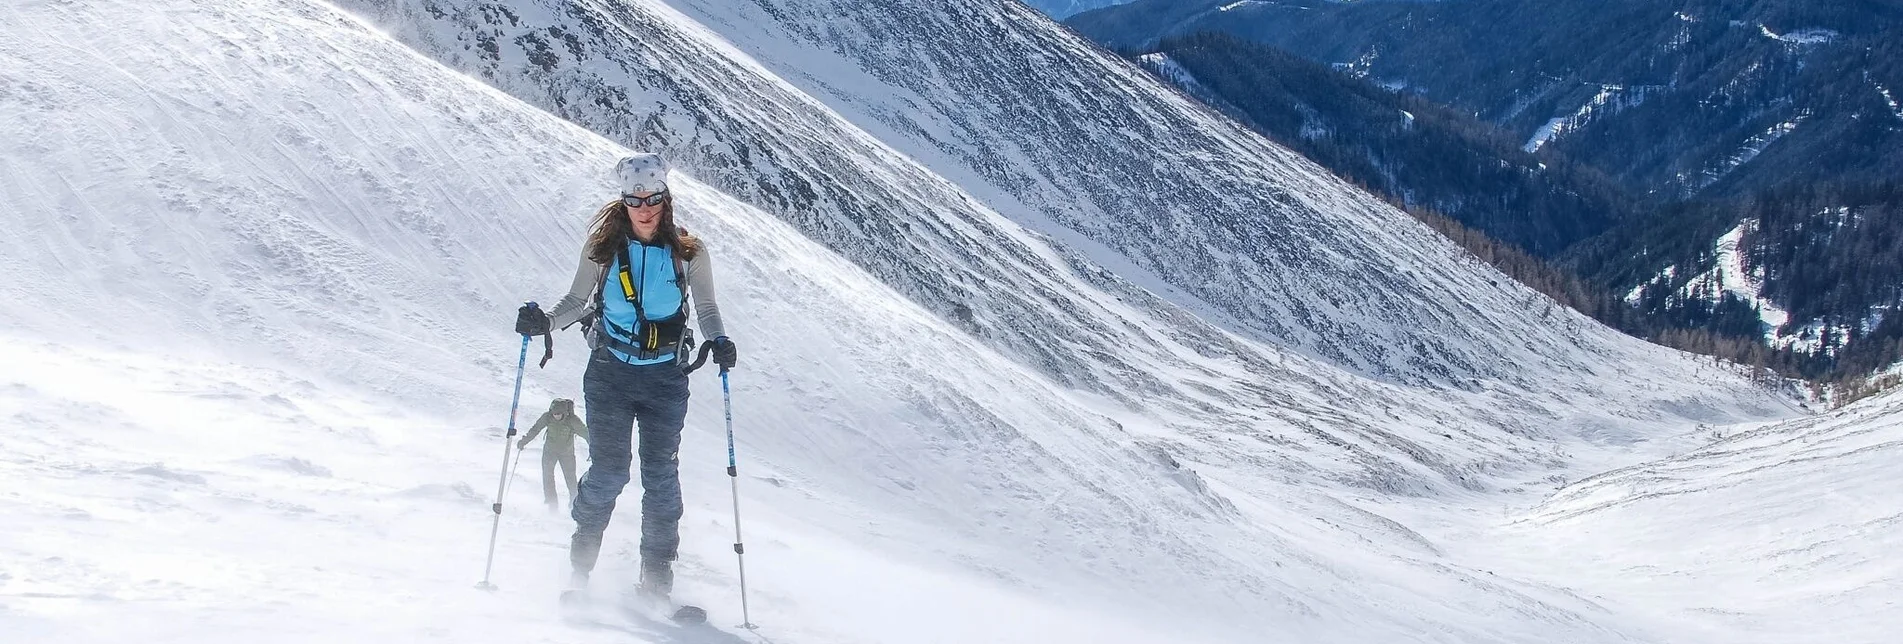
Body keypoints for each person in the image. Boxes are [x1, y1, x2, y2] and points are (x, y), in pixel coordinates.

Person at [519, 152, 737, 603]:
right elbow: (578, 300)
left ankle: (656, 579)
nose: (645, 208)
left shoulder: (688, 251)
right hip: (610, 375)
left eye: (653, 198)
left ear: (665, 197)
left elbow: (708, 308)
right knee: (610, 471)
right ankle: (581, 564)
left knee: (660, 475)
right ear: (623, 201)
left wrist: (718, 339)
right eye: (636, 200)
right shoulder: (602, 247)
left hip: (665, 378)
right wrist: (546, 323)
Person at [518, 398, 589, 511]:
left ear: (564, 413)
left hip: (567, 454)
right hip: (549, 452)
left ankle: (574, 504)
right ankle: (551, 504)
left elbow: (586, 433)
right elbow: (535, 429)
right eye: (554, 413)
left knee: (570, 479)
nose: (556, 416)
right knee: (547, 476)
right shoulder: (547, 417)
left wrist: (593, 448)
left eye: (558, 414)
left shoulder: (572, 420)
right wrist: (524, 441)